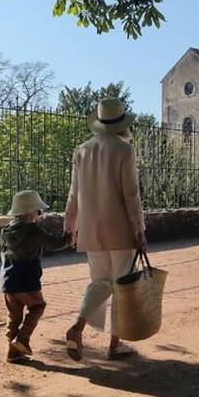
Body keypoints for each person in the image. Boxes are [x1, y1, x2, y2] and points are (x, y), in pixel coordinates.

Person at [63, 97, 147, 361]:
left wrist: (70, 225)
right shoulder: (124, 150)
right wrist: (139, 229)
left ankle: (77, 326)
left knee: (100, 283)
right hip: (120, 229)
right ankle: (115, 344)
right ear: (122, 123)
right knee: (122, 285)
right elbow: (131, 195)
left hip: (90, 229)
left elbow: (73, 194)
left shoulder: (81, 150)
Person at [0, 190, 69, 363]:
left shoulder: (5, 230)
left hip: (7, 278)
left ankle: (13, 352)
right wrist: (68, 239)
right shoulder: (33, 231)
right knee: (37, 306)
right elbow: (53, 243)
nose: (40, 213)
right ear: (30, 212)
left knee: (14, 316)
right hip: (27, 278)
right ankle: (22, 339)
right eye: (38, 210)